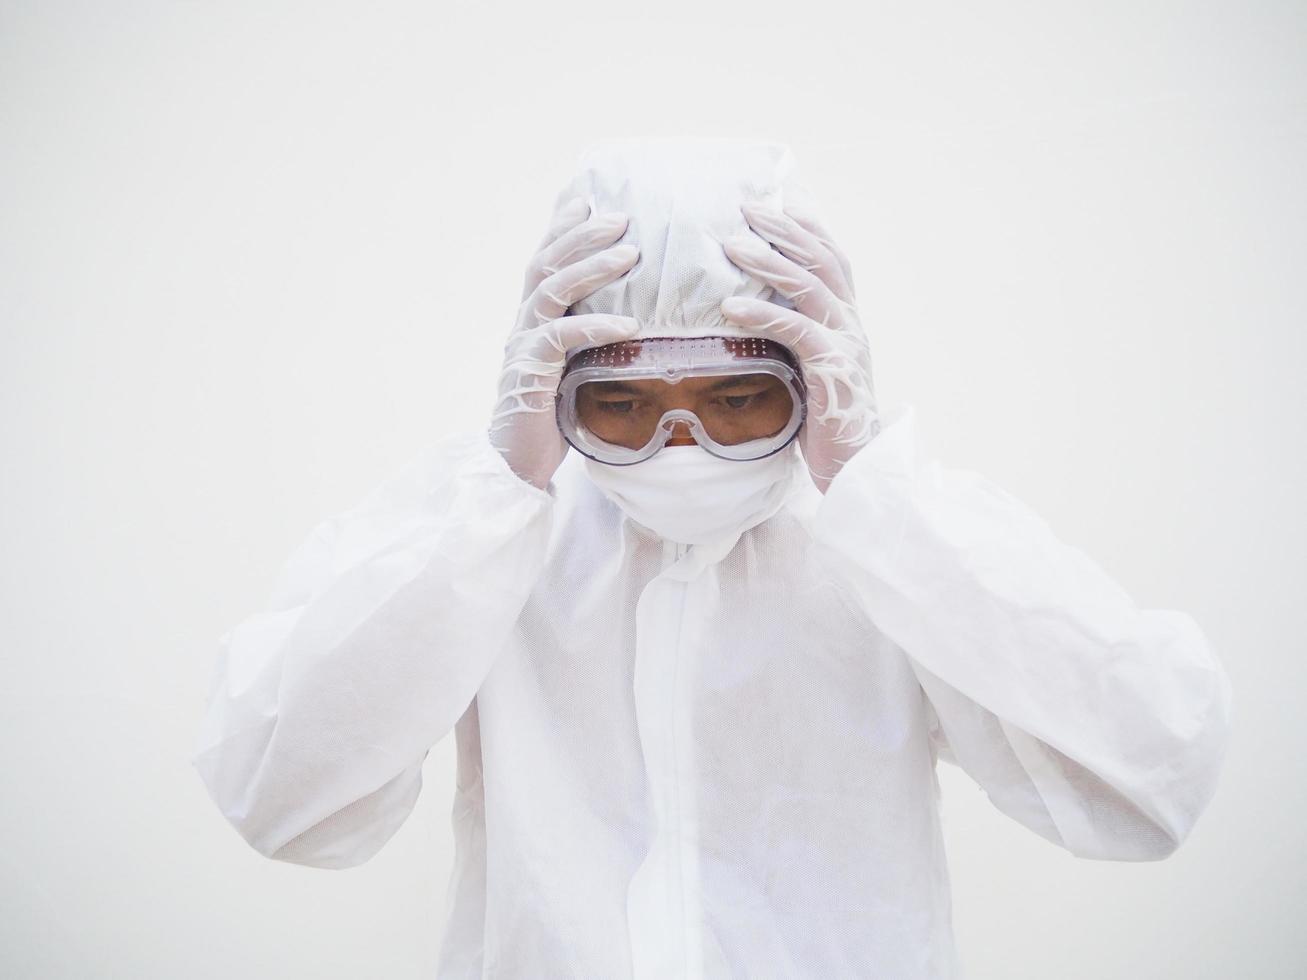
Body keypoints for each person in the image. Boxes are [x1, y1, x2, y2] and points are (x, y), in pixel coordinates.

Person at [191, 139, 1232, 978]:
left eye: (738, 398)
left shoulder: (893, 541)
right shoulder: (486, 534)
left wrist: (877, 492)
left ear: (809, 369)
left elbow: (1150, 770)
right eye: (621, 402)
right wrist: (496, 501)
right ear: (551, 384)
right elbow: (283, 796)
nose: (678, 445)